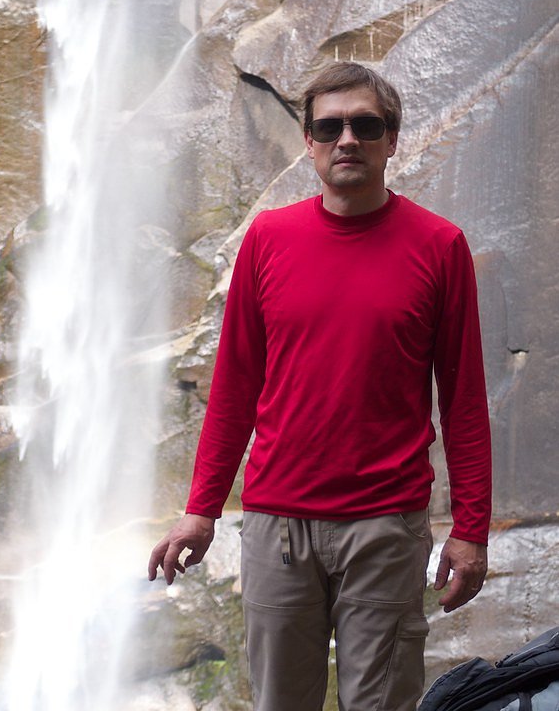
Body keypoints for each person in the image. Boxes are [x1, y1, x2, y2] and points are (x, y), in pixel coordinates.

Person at [148, 61, 492, 711]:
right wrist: (201, 508)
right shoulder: (268, 240)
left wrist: (470, 529)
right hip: (277, 523)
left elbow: (464, 402)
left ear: (391, 139)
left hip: (385, 525)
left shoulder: (439, 247)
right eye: (329, 126)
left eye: (364, 125)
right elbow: (234, 387)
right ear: (307, 141)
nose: (346, 140)